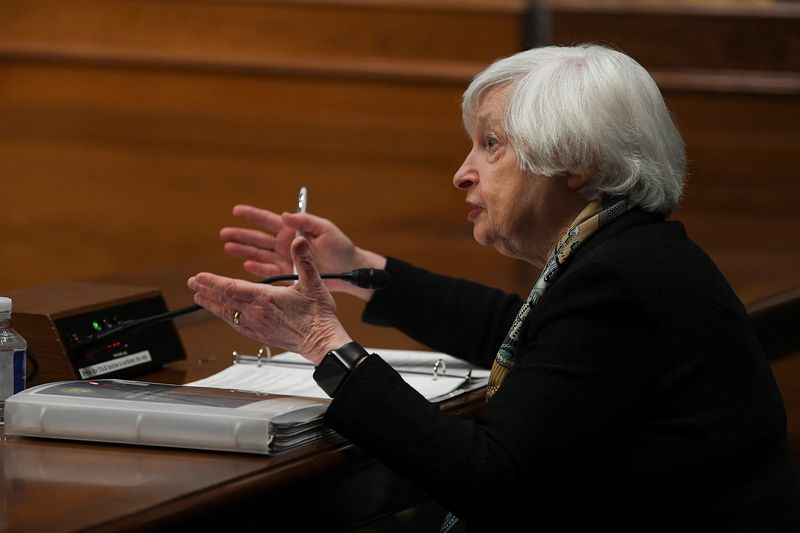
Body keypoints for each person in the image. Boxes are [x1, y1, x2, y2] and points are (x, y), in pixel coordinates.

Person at [188, 44, 800, 531]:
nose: (462, 173)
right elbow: (514, 329)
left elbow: (490, 479)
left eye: (491, 143)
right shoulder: (633, 255)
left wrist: (324, 344)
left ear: (577, 159)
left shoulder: (623, 280)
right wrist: (359, 266)